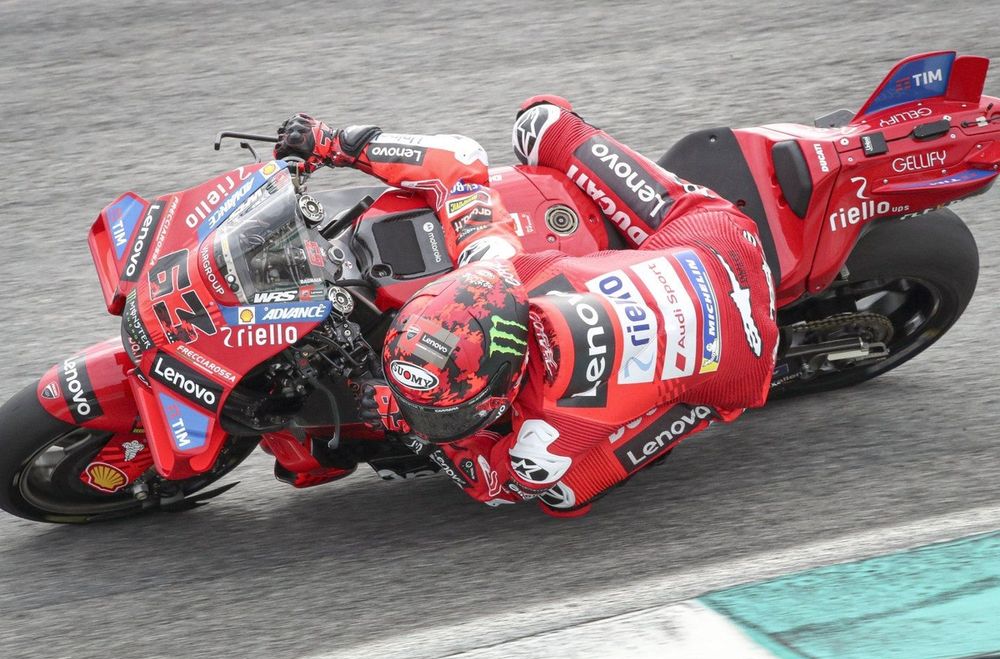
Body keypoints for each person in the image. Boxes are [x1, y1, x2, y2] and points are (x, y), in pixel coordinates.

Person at [274, 97, 778, 516]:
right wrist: (334, 142)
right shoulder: (494, 269)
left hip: (742, 357)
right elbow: (458, 162)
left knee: (563, 494)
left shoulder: (545, 431)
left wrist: (404, 418)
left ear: (507, 385)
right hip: (712, 243)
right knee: (542, 121)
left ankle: (707, 403)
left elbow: (494, 484)